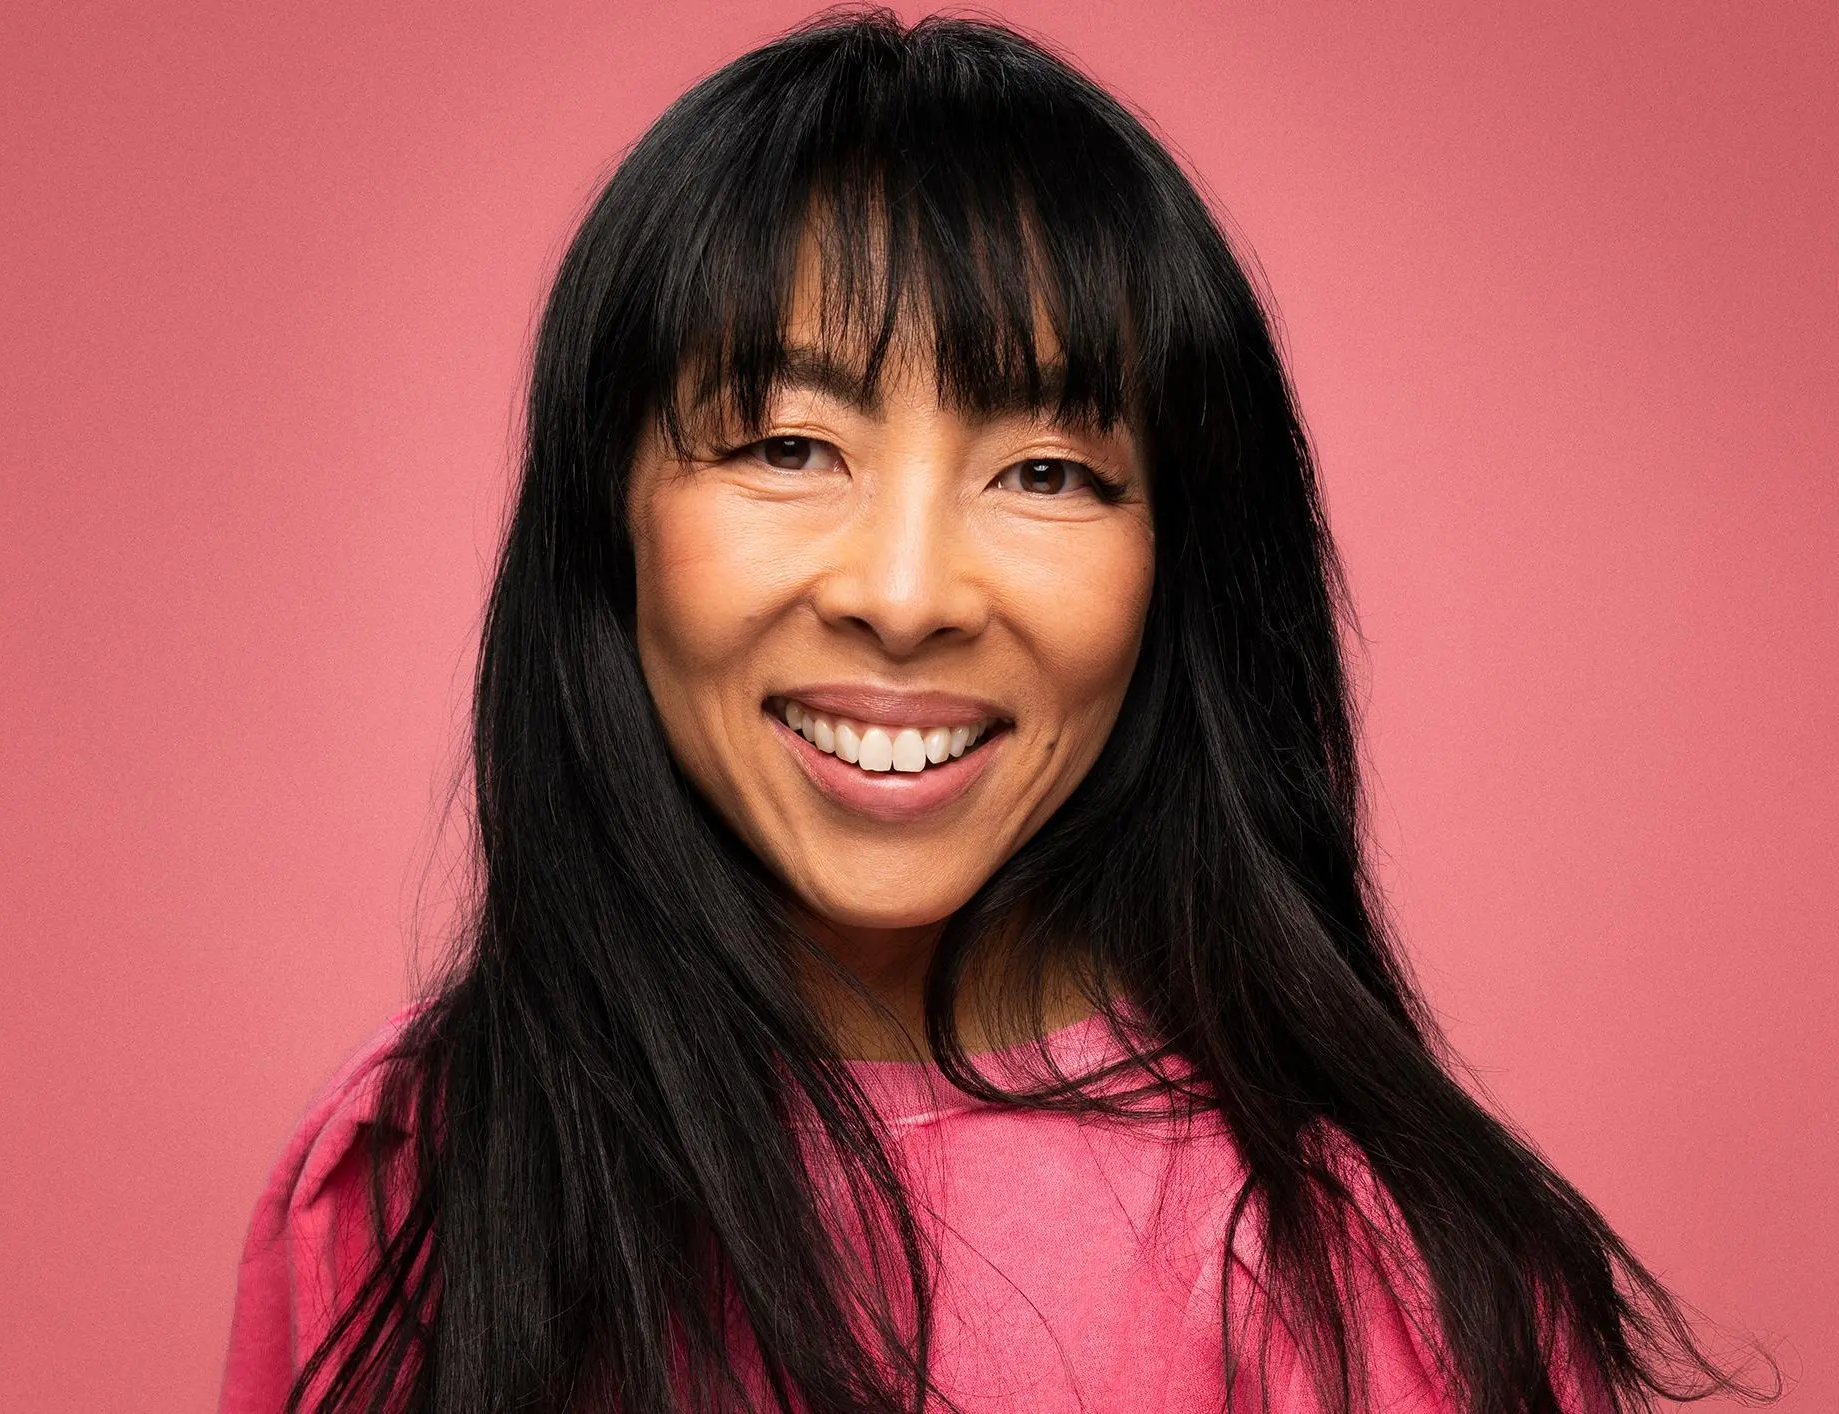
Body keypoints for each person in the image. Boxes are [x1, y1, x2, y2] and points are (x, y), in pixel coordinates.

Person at [218, 12, 1771, 1414]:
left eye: (1045, 471)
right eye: (785, 445)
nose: (905, 595)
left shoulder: (1367, 1274)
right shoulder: (412, 1175)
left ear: (1177, 569)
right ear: (605, 518)